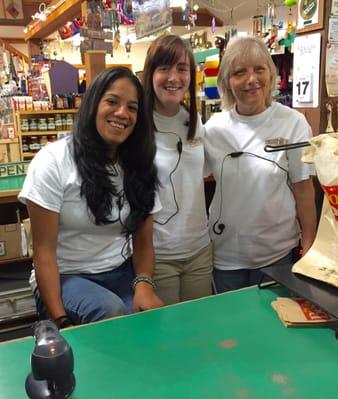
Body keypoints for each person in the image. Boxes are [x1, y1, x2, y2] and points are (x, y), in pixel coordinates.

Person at [18, 67, 163, 328]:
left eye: (132, 107)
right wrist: (60, 319)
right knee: (110, 311)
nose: (122, 113)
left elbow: (143, 237)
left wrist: (143, 283)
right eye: (112, 101)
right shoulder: (53, 161)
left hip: (120, 272)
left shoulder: (139, 164)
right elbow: (43, 252)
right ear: (93, 104)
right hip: (65, 277)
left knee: (152, 322)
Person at [204, 36, 317, 293]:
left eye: (259, 69)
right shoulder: (213, 129)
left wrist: (309, 243)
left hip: (277, 254)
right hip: (225, 257)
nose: (251, 79)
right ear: (227, 82)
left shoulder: (293, 123)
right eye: (239, 72)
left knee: (275, 328)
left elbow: (303, 189)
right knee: (231, 329)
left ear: (271, 74)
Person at [142, 35, 212, 305]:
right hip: (158, 256)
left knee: (197, 332)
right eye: (164, 68)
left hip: (199, 250)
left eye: (182, 69)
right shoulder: (138, 125)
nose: (174, 77)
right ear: (150, 73)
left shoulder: (193, 121)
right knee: (167, 337)